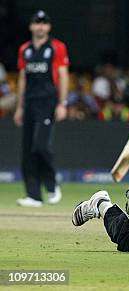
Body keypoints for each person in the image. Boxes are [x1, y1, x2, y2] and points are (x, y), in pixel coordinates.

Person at [14, 11, 69, 207]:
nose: (40, 27)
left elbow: (63, 75)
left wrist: (62, 103)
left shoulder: (56, 47)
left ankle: (53, 185)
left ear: (48, 27)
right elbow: (22, 78)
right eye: (37, 23)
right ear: (31, 26)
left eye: (44, 23)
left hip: (48, 102)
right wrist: (20, 107)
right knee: (28, 150)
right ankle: (34, 196)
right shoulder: (25, 49)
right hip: (29, 103)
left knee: (41, 146)